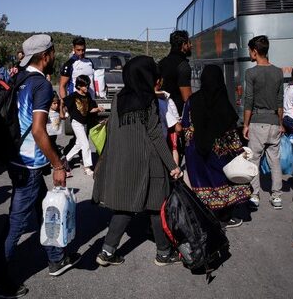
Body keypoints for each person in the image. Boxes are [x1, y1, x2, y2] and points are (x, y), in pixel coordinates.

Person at [0, 34, 79, 299]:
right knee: (16, 221)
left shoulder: (18, 79)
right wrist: (58, 164)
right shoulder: (41, 86)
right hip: (30, 163)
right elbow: (38, 130)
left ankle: (56, 257)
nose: (54, 57)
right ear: (45, 55)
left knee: (39, 205)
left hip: (15, 157)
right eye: (53, 52)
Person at [92, 56, 183, 267]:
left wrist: (106, 162)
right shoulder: (148, 100)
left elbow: (112, 131)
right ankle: (163, 253)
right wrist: (172, 165)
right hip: (148, 162)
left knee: (124, 207)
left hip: (123, 161)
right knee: (155, 206)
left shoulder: (118, 98)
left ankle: (107, 252)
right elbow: (154, 136)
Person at [182, 65, 251, 228]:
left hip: (197, 152)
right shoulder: (223, 101)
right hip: (221, 154)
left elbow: (186, 125)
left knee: (202, 184)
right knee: (224, 182)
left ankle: (204, 216)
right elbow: (231, 130)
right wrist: (238, 151)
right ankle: (224, 216)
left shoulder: (192, 100)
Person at [242, 35, 284, 209]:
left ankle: (255, 195)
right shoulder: (278, 71)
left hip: (257, 121)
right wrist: (280, 122)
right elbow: (280, 100)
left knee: (254, 160)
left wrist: (245, 124)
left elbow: (248, 101)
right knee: (274, 161)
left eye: (250, 50)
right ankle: (276, 196)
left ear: (255, 51)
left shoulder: (251, 73)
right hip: (274, 121)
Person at [62, 75, 103, 176]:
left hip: (84, 123)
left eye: (87, 85)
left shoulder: (88, 96)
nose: (86, 87)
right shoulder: (73, 96)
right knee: (85, 144)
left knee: (79, 144)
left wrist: (98, 109)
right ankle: (87, 167)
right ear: (79, 86)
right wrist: (62, 113)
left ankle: (64, 160)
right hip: (76, 123)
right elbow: (62, 102)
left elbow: (90, 110)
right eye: (84, 85)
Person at [158, 30, 192, 116]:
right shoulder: (183, 65)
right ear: (184, 45)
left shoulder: (162, 62)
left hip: (162, 112)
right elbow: (187, 98)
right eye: (189, 43)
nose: (191, 45)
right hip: (177, 115)